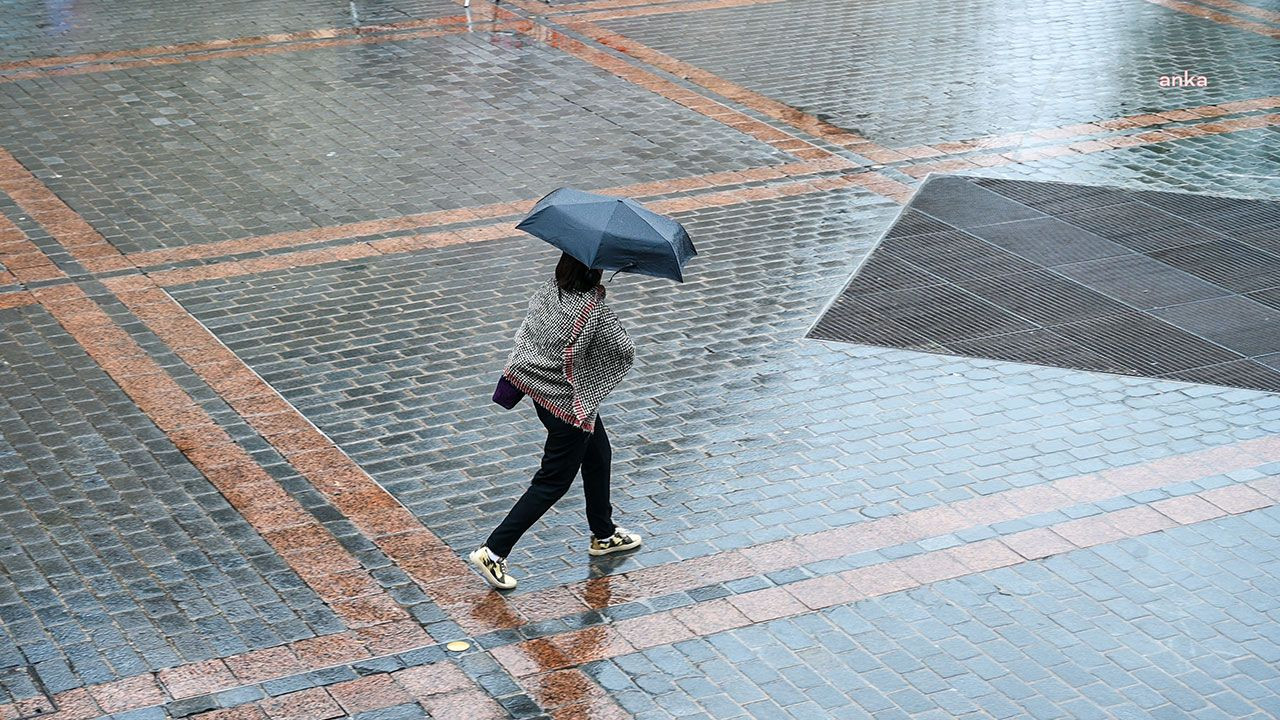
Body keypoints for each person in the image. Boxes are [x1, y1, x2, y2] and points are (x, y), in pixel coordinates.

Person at [469, 252, 642, 590]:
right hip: (570, 406)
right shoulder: (594, 312)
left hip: (542, 394)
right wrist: (606, 317)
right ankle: (494, 550)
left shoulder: (547, 291)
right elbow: (624, 352)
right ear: (595, 270)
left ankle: (603, 534)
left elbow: (531, 334)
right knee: (552, 481)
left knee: (598, 455)